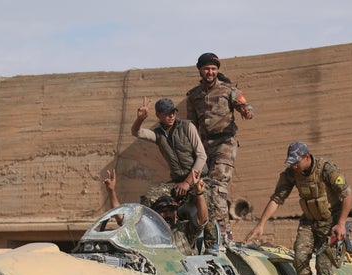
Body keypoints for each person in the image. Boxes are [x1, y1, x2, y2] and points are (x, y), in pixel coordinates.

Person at [244, 142, 352, 275]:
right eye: (291, 162)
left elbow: (347, 195)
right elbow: (277, 198)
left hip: (330, 224)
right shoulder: (291, 173)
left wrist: (341, 223)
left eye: (296, 162)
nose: (293, 166)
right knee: (300, 259)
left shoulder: (326, 169)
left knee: (322, 265)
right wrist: (261, 224)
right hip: (309, 223)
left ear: (307, 157)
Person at [131, 96, 218, 252]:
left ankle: (212, 245)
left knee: (206, 200)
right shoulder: (158, 134)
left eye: (173, 112)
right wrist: (140, 119)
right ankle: (145, 239)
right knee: (149, 198)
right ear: (158, 115)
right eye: (166, 113)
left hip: (198, 178)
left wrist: (188, 182)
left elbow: (202, 156)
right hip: (177, 181)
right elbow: (137, 132)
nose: (171, 116)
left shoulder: (187, 127)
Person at [186, 52, 254, 245]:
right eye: (207, 68)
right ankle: (208, 231)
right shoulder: (194, 95)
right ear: (200, 70)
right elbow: (191, 124)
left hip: (225, 142)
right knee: (201, 188)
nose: (210, 72)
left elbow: (245, 106)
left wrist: (246, 112)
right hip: (204, 145)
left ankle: (224, 232)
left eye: (214, 69)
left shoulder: (228, 90)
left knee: (217, 186)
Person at [103, 168, 209, 256]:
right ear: (155, 216)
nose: (168, 215)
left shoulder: (183, 231)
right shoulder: (145, 233)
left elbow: (202, 220)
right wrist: (111, 191)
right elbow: (121, 217)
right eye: (163, 211)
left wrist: (199, 194)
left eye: (171, 211)